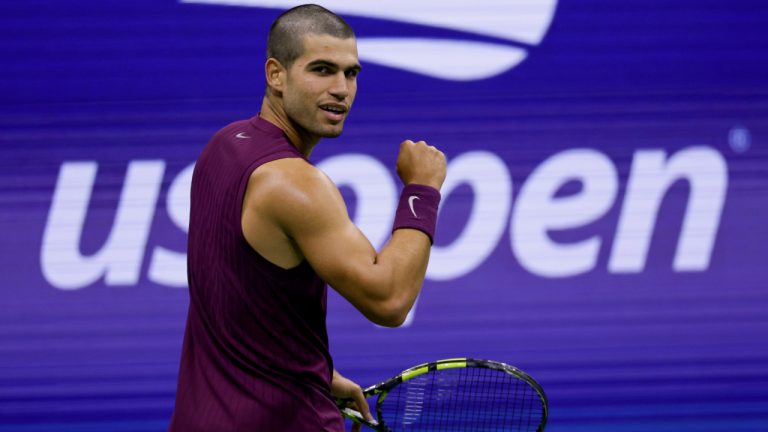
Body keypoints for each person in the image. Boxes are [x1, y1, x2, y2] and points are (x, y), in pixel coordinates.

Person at [169, 4, 446, 431]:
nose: (341, 89)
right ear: (276, 74)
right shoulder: (296, 184)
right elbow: (389, 301)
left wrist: (317, 374)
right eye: (321, 69)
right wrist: (422, 191)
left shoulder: (224, 145)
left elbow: (234, 296)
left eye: (350, 73)